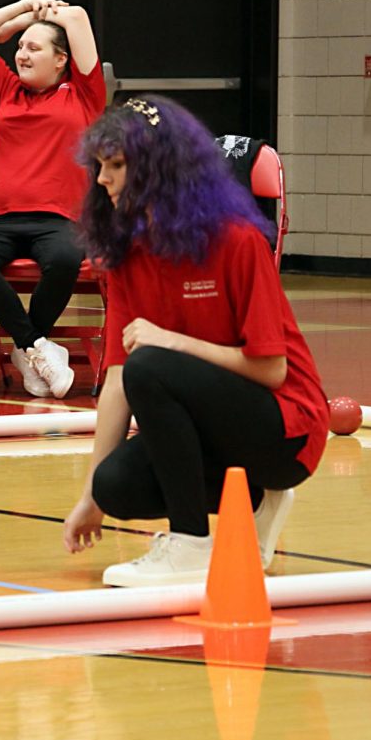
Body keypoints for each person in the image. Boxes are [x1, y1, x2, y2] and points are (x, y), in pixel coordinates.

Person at [62, 96, 329, 587]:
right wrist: (90, 497)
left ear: (158, 171)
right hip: (220, 428)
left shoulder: (237, 240)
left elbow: (272, 369)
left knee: (153, 364)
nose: (103, 180)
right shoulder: (128, 253)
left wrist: (172, 342)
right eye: (100, 166)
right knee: (115, 486)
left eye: (116, 165)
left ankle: (190, 543)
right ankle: (253, 499)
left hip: (286, 430)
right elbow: (119, 376)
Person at [0, 0, 105, 398]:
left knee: (63, 259)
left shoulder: (85, 94)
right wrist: (18, 12)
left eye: (33, 48)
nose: (20, 54)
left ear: (61, 60)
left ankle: (26, 347)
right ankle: (35, 347)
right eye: (18, 47)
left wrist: (30, 19)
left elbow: (76, 16)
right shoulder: (6, 90)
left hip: (59, 219)